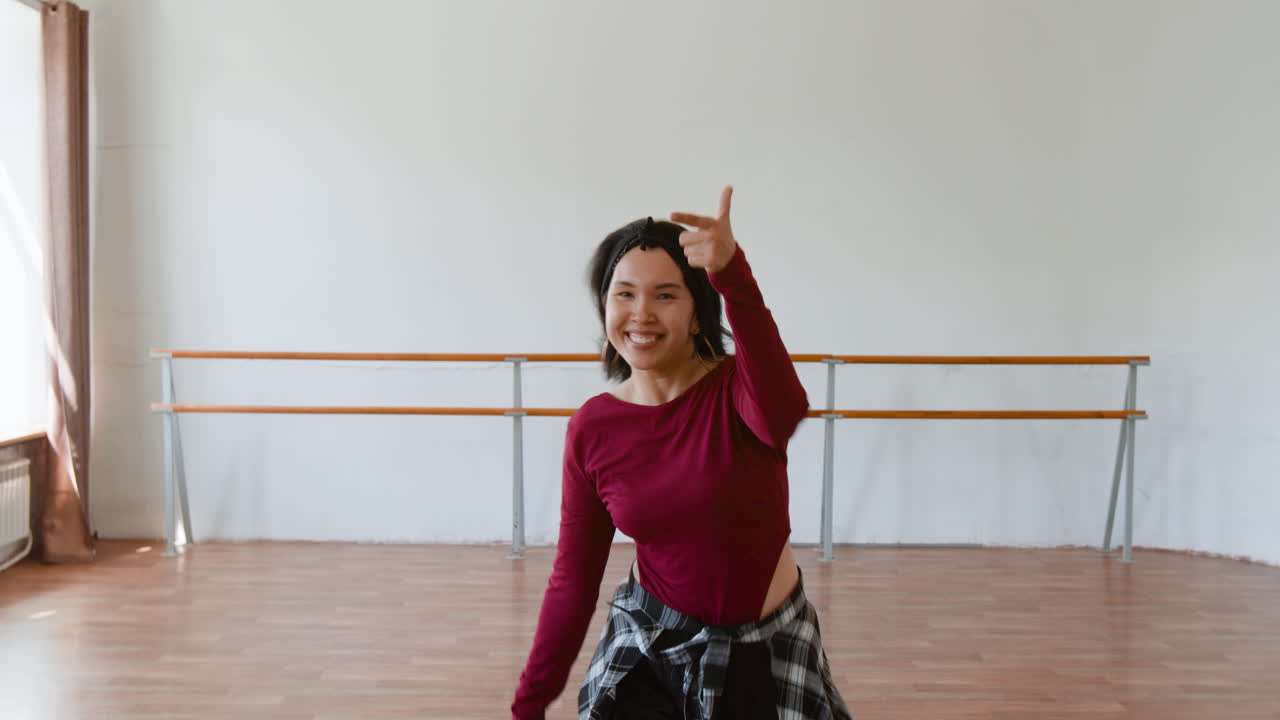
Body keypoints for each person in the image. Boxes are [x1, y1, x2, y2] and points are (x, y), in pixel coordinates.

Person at [512, 187, 851, 720]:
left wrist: (733, 273)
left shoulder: (740, 391)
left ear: (697, 311)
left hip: (765, 651)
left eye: (665, 295)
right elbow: (574, 579)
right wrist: (527, 705)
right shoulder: (593, 428)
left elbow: (786, 409)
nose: (641, 313)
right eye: (623, 294)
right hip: (651, 644)